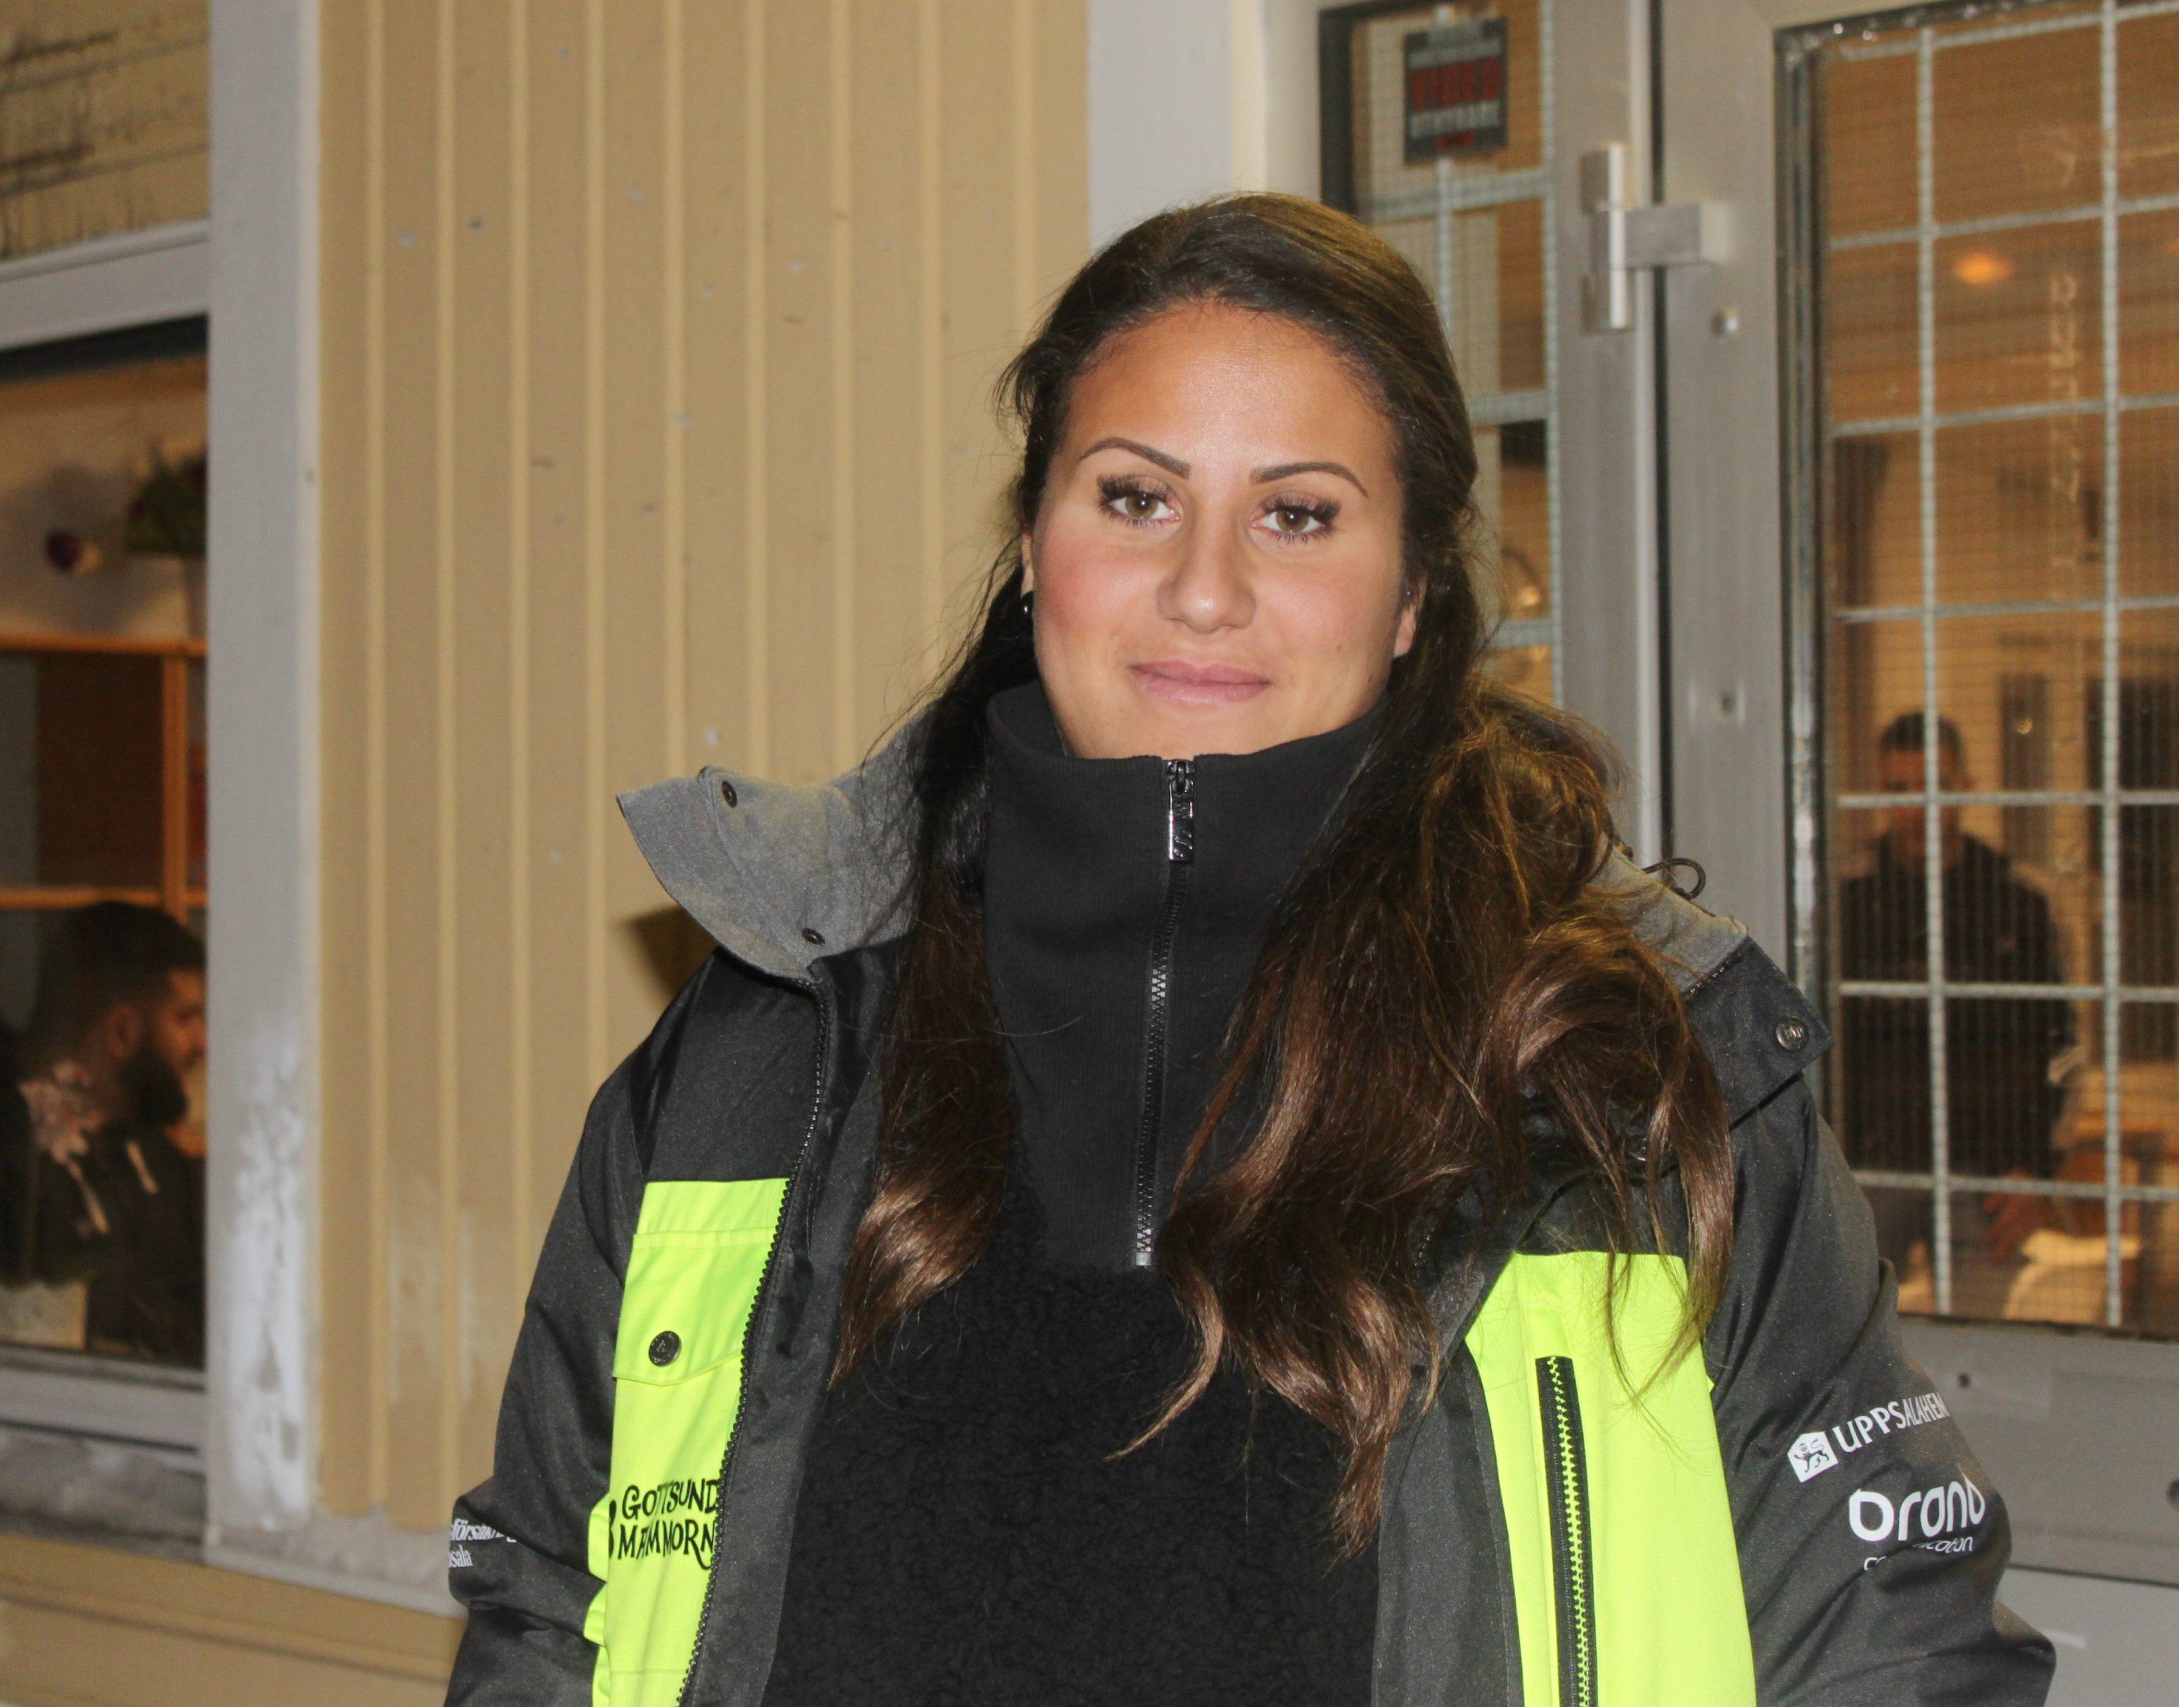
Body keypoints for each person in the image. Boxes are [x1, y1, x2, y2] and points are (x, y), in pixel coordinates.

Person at [445, 194, 2050, 1705]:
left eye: (1297, 514)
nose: (1203, 589)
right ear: (1033, 541)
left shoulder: (1627, 1070)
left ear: (1413, 589)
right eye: (1135, 496)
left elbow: (1895, 1648)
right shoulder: (768, 1040)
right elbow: (546, 1601)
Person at [1838, 713, 2075, 1284]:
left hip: (1989, 1178)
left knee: (1981, 1335)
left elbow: (2064, 1044)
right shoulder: (1843, 900)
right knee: (1853, 1334)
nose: (1919, 807)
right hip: (1865, 1173)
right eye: (1900, 788)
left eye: (1935, 785)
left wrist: (2035, 1170)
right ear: (1880, 794)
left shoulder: (2019, 899)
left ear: (1965, 785)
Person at [18, 901, 208, 1364]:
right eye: (185, 1018)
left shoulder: (157, 1163)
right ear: (121, 1031)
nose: (202, 1042)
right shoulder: (12, 1168)